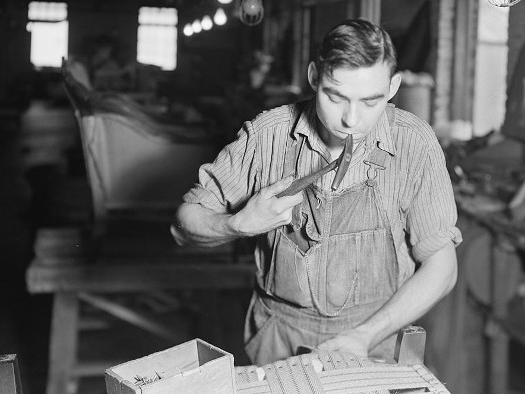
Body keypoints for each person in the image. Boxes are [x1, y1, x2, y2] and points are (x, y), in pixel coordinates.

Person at [171, 19, 462, 366]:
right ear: (313, 77)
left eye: (371, 101)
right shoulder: (268, 137)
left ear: (393, 86)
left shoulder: (414, 144)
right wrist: (237, 225)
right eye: (335, 96)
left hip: (377, 339)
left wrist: (364, 336)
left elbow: (442, 267)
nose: (351, 119)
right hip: (280, 340)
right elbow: (185, 221)